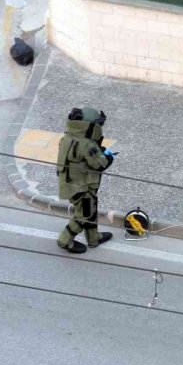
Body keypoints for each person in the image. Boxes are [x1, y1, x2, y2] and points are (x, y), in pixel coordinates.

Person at [56, 107, 116, 254]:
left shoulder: (68, 138)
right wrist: (108, 157)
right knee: (84, 215)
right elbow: (99, 164)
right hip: (81, 187)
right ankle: (65, 240)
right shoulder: (86, 144)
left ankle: (93, 237)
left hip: (72, 184)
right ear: (91, 126)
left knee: (91, 209)